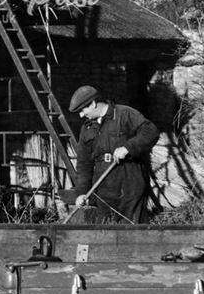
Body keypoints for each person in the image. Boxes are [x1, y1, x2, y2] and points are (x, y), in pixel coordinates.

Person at [68, 85, 159, 223]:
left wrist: (129, 147)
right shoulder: (86, 128)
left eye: (83, 109)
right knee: (106, 232)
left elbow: (151, 131)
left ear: (93, 104)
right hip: (103, 188)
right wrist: (81, 192)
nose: (81, 115)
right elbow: (84, 164)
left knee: (132, 231)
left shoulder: (125, 114)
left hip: (130, 183)